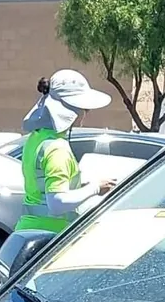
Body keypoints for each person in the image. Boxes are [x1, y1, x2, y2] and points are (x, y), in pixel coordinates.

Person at [17, 69, 115, 235]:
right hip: (50, 237)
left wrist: (79, 187)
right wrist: (96, 188)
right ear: (73, 111)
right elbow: (57, 204)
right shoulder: (57, 149)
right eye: (84, 109)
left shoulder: (36, 138)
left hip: (30, 231)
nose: (86, 114)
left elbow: (43, 188)